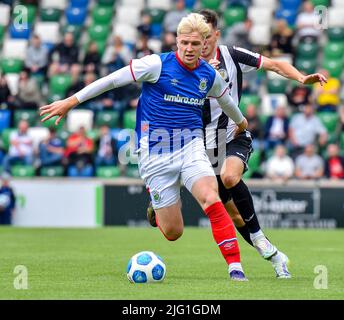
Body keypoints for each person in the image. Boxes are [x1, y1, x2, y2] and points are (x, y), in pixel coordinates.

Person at [40, 13, 249, 281]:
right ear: (176, 40)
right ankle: (155, 202)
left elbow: (227, 100)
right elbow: (112, 80)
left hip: (191, 147)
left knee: (211, 197)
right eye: (184, 42)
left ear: (204, 44)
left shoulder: (208, 75)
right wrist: (72, 101)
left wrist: (241, 122)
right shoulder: (155, 65)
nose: (188, 49)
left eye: (195, 44)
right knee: (174, 232)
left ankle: (235, 268)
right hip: (155, 153)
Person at [196, 9, 326, 278]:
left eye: (207, 36)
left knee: (230, 176)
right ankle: (274, 254)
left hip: (234, 135)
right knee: (233, 216)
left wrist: (301, 78)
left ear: (216, 35)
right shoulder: (184, 65)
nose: (202, 42)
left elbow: (275, 64)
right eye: (197, 36)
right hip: (205, 148)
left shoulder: (231, 55)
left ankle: (258, 239)